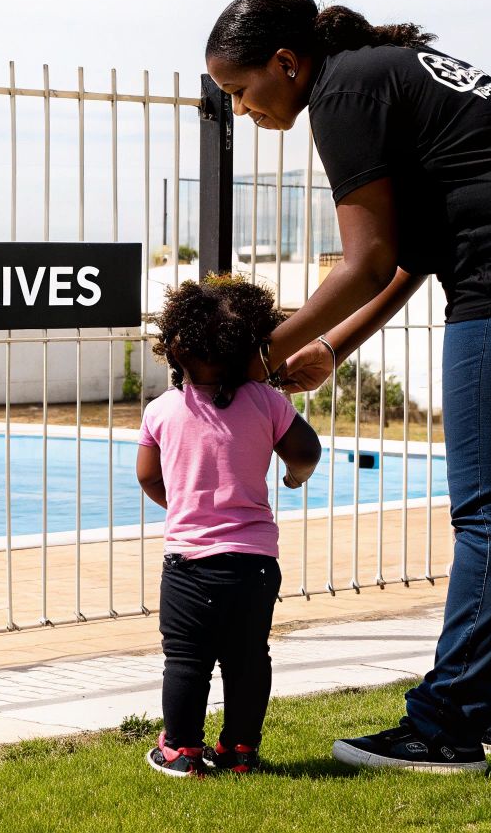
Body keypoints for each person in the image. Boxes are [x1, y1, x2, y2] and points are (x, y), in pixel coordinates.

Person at [204, 0, 491, 773]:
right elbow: (409, 254)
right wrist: (332, 348)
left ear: (286, 63)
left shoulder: (341, 93)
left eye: (240, 92)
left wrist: (261, 355)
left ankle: (445, 723)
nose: (241, 110)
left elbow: (365, 260)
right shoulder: (383, 72)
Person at [137, 274, 321, 777]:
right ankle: (240, 751)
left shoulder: (161, 411)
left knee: (187, 660)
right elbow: (306, 450)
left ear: (176, 349)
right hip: (255, 565)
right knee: (246, 659)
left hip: (190, 564)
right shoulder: (266, 401)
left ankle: (180, 750)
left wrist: (182, 507)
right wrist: (293, 476)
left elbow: (148, 477)